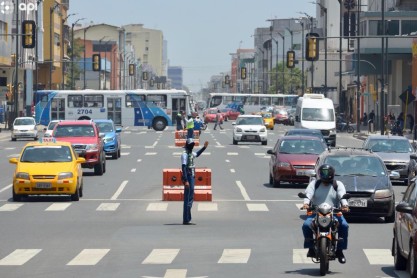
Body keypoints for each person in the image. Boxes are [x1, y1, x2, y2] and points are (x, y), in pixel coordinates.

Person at [302, 164, 349, 264]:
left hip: (334, 212)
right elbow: (308, 194)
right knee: (306, 225)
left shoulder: (338, 184)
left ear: (332, 174)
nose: (325, 175)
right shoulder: (314, 184)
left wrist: (344, 205)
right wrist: (306, 203)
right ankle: (310, 248)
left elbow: (342, 195)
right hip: (316, 212)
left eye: (327, 173)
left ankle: (340, 251)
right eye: (323, 173)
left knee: (344, 226)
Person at [181, 138, 209, 225]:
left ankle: (187, 218)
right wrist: (186, 180)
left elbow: (197, 154)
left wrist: (204, 148)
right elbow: (184, 168)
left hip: (192, 176)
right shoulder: (184, 155)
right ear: (187, 146)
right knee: (188, 197)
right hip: (188, 177)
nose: (192, 146)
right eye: (191, 145)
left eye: (193, 145)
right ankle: (186, 219)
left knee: (190, 196)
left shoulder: (191, 153)